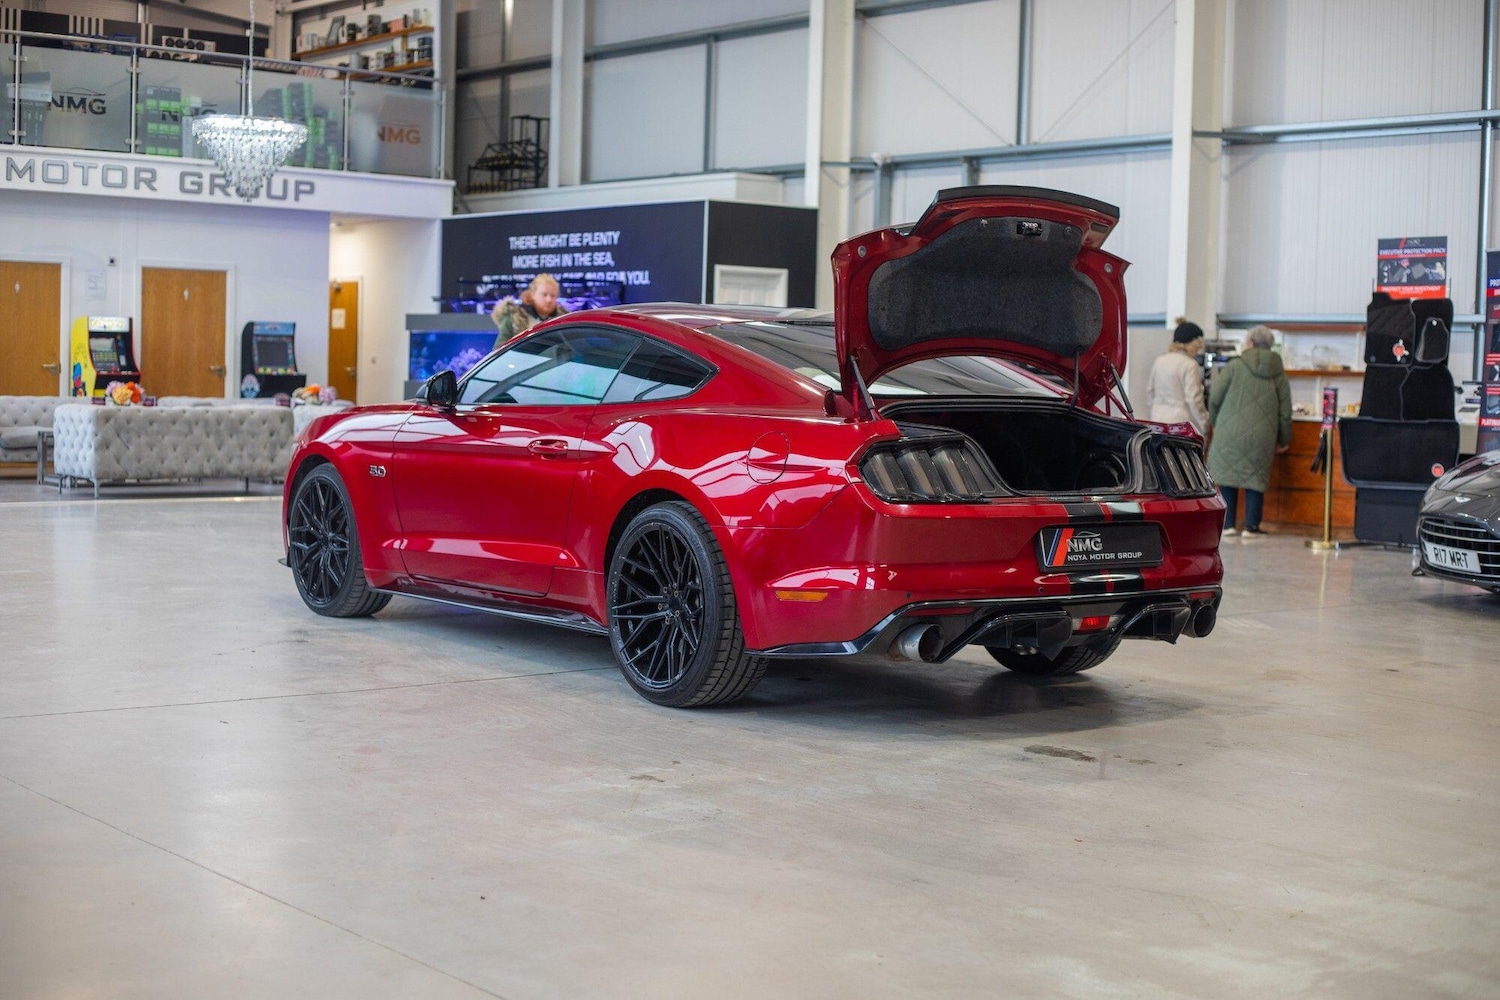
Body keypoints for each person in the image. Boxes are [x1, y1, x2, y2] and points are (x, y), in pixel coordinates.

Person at [1207, 325, 1292, 539]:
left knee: (1227, 476)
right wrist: (1284, 439)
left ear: (1251, 343)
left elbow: (1215, 397)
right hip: (1263, 436)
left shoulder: (1235, 366)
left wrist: (1215, 423)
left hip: (1230, 430)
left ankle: (1227, 526)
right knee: (1255, 477)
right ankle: (1252, 527)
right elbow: (1285, 411)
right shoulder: (1278, 373)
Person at [1145, 318, 1210, 435]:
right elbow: (1194, 400)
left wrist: (1153, 412)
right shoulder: (1190, 364)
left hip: (1157, 418)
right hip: (1179, 422)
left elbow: (1150, 392)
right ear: (1193, 343)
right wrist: (1205, 425)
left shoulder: (1160, 360)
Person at [491, 273, 567, 349]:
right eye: (544, 294)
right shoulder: (513, 319)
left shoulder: (565, 322)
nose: (549, 300)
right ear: (532, 294)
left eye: (553, 295)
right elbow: (499, 350)